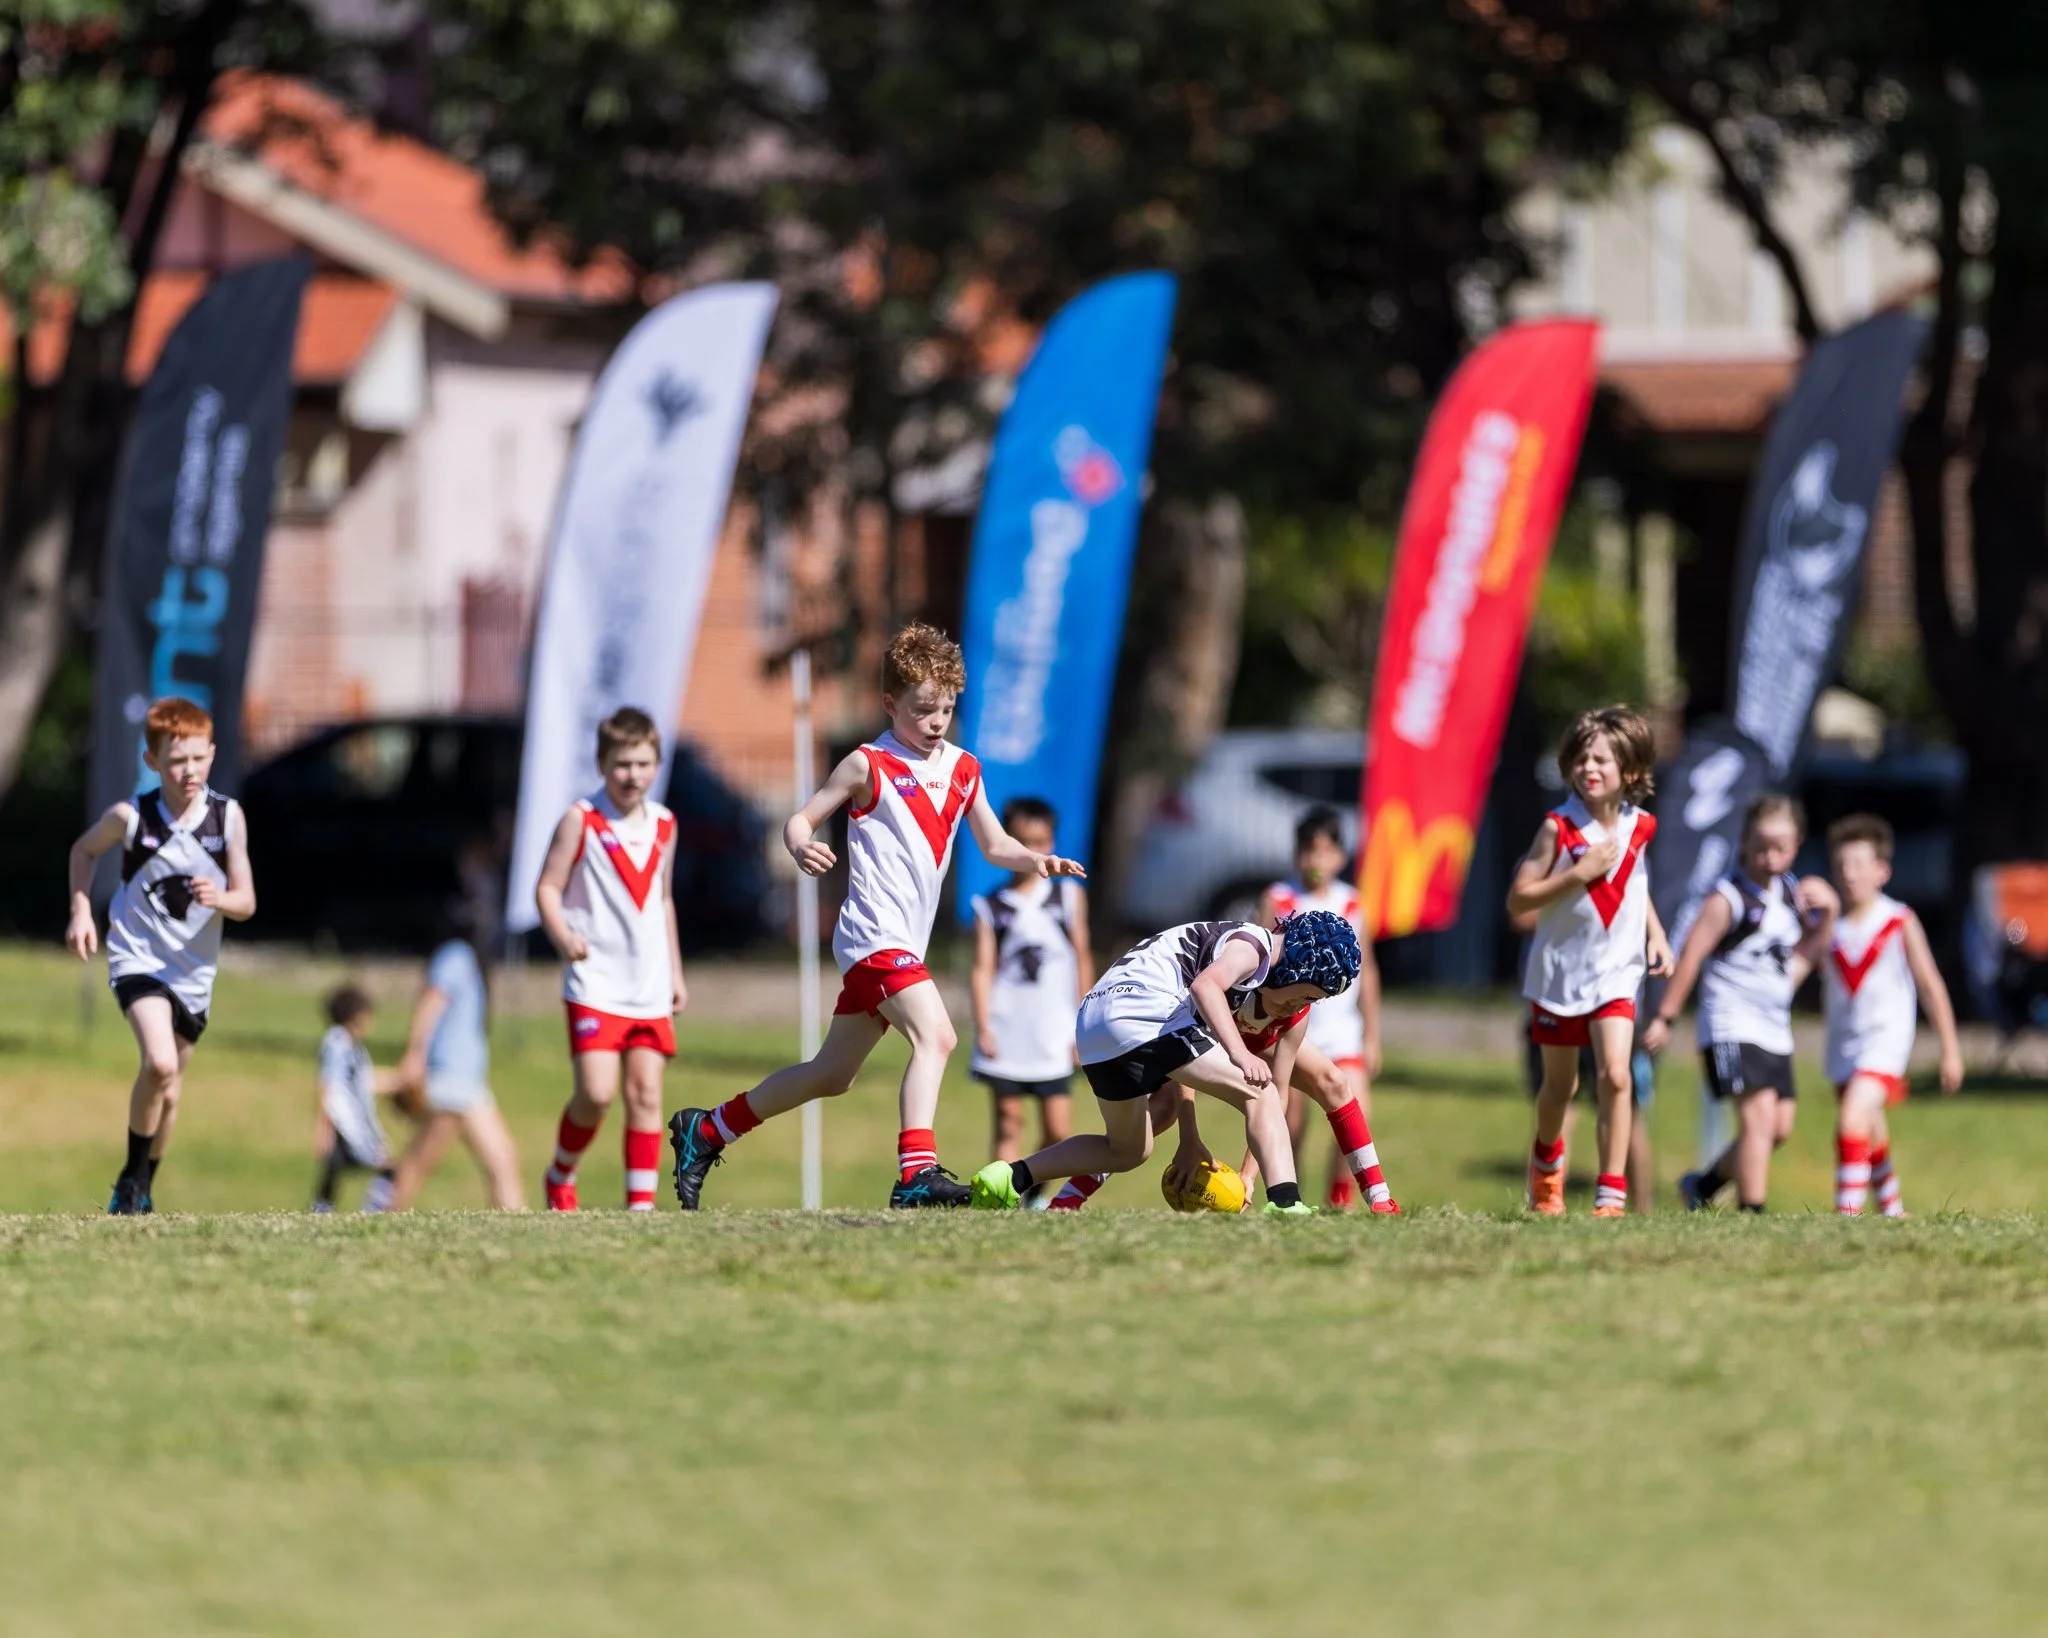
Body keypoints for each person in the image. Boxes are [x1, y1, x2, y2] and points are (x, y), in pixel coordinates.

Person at [670, 623, 1086, 1210]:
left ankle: (707, 1130)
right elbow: (800, 819)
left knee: (830, 1074)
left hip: (903, 946)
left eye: (946, 708)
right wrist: (799, 845)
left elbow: (994, 845)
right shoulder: (868, 765)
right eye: (922, 710)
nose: (936, 721)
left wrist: (1035, 859)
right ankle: (915, 1174)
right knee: (937, 1035)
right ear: (890, 704)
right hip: (871, 936)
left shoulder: (964, 769)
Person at [968, 910, 1362, 1217]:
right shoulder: (1253, 946)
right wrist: (1240, 1054)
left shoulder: (1245, 959)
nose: (1300, 1006)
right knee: (1262, 1095)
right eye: (1305, 995)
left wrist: (1188, 1138)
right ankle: (1286, 1204)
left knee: (1127, 1149)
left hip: (1095, 1024)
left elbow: (1180, 1064)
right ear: (1298, 965)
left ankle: (1009, 1177)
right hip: (1140, 1011)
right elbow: (1205, 987)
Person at [64, 697, 256, 1215]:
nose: (188, 770)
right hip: (138, 958)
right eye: (176, 760)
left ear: (212, 754)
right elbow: (83, 851)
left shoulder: (227, 818)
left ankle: (143, 1188)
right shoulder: (132, 818)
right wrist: (82, 911)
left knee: (169, 1091)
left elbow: (247, 901)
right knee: (160, 1062)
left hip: (194, 973)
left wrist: (222, 899)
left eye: (197, 758)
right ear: (152, 762)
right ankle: (129, 1180)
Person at [1509, 705, 1672, 1217]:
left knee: (1617, 1077)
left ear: (1631, 772)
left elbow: (1632, 884)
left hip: (1617, 975)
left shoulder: (1641, 826)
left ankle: (1611, 1195)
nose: (1589, 768)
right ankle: (1547, 1166)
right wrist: (1577, 875)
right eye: (1581, 758)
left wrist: (1656, 934)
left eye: (1601, 759)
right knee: (1561, 1087)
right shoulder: (1558, 829)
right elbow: (1519, 901)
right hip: (1559, 975)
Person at [1640, 794, 1838, 1212]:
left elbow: (1802, 960)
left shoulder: (1790, 896)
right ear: (1745, 841)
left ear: (1797, 845)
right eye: (1761, 845)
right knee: (1759, 1119)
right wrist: (1666, 1017)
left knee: (1778, 1128)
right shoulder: (1727, 899)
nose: (1769, 856)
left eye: (1780, 847)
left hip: (1773, 1028)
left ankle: (1703, 1186)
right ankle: (1753, 1214)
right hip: (1730, 1023)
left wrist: (1831, 913)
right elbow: (1691, 955)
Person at [533, 707, 686, 1211]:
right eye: (622, 764)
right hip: (594, 981)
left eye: (643, 764)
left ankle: (639, 1209)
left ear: (657, 764)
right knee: (597, 1093)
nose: (633, 775)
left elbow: (662, 901)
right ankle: (560, 1173)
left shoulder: (665, 825)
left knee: (646, 1095)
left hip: (648, 983)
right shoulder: (582, 819)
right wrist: (563, 936)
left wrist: (675, 973)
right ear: (602, 764)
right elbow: (548, 888)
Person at [1822, 813, 1964, 1216]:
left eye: (1860, 865)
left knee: (1852, 1121)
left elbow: (1931, 985)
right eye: (1842, 865)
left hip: (1885, 1041)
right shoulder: (1829, 926)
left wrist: (1950, 1049)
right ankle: (1892, 1208)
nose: (1850, 874)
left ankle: (1844, 1218)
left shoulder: (1898, 920)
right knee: (1871, 1129)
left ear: (1882, 871)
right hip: (1843, 1045)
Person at [1259, 805, 1393, 1211]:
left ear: (1340, 856)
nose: (1316, 860)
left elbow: (1367, 973)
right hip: (1293, 1030)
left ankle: (1340, 1198)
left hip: (1341, 1032)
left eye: (1324, 850)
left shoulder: (1351, 902)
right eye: (1308, 850)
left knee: (1354, 1110)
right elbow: (1260, 961)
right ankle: (1287, 1195)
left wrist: (1372, 1036)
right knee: (1291, 1120)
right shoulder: (1279, 898)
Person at [969, 796, 1093, 1206]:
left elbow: (1082, 957)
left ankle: (1032, 1195)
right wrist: (983, 1024)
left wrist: (1084, 1023)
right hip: (1008, 1028)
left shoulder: (1069, 898)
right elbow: (983, 969)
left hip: (1054, 1030)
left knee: (1058, 1128)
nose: (1034, 853)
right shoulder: (991, 906)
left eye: (1041, 842)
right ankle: (999, 1203)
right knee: (1009, 1121)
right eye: (1025, 842)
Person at [387, 917, 525, 1210]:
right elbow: (431, 1002)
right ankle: (384, 1217)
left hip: (468, 1081)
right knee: (419, 1161)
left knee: (503, 1158)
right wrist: (414, 1054)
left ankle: (517, 1225)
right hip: (450, 1076)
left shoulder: (466, 959)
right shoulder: (455, 954)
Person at [311, 984, 408, 1213]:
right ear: (356, 1016)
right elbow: (327, 1083)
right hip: (348, 1122)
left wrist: (399, 1080)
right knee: (390, 1168)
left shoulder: (354, 1049)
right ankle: (372, 1213)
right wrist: (322, 1126)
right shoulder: (336, 1042)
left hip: (350, 1121)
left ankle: (320, 1212)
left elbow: (363, 1081)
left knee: (334, 1169)